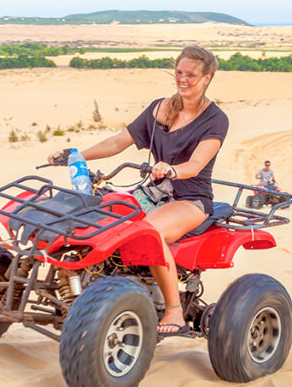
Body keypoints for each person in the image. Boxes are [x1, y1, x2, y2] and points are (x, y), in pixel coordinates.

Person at [48, 45, 228, 336]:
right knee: (96, 216)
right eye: (179, 73)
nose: (183, 80)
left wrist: (172, 169)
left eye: (191, 75)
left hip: (189, 199)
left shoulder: (215, 119)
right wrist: (77, 155)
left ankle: (174, 311)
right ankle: (86, 282)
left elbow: (195, 164)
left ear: (207, 78)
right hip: (151, 194)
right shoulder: (160, 108)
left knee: (149, 234)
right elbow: (119, 142)